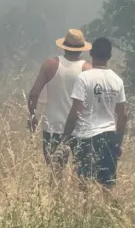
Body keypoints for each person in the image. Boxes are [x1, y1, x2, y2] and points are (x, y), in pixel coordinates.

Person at [62, 37, 127, 193]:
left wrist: (65, 137)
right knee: (108, 185)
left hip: (85, 136)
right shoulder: (117, 81)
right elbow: (122, 116)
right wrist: (118, 142)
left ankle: (84, 213)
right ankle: (105, 215)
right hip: (109, 137)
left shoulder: (84, 78)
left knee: (83, 184)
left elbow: (75, 112)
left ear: (91, 53)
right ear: (109, 56)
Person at [27, 28, 92, 178]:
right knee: (82, 178)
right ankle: (81, 201)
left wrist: (32, 116)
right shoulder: (87, 69)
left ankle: (56, 199)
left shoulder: (51, 65)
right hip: (80, 130)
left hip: (53, 129)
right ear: (82, 49)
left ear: (64, 46)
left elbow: (34, 94)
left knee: (55, 174)